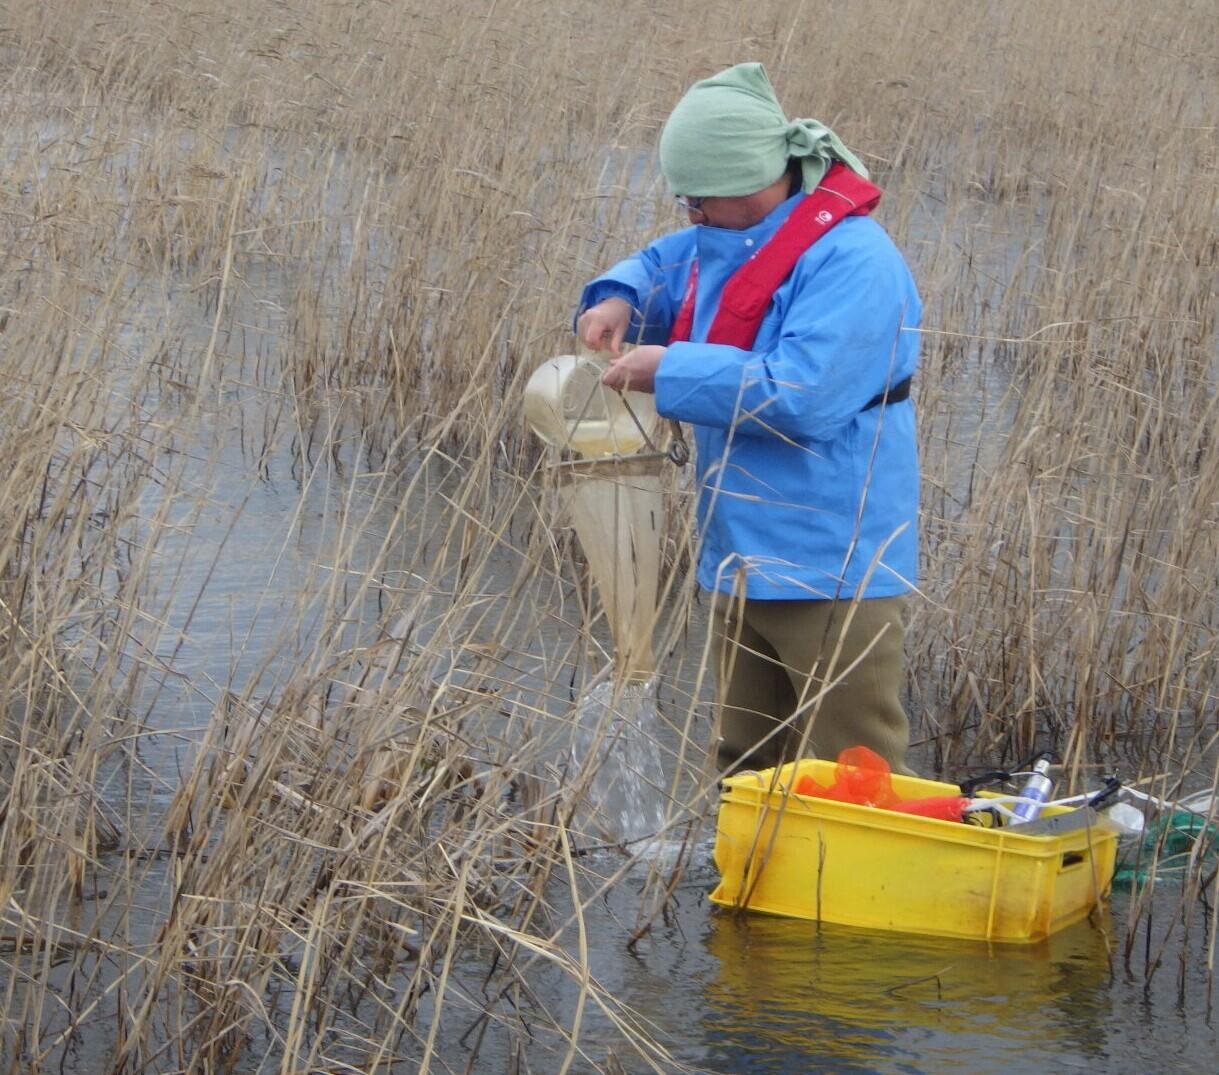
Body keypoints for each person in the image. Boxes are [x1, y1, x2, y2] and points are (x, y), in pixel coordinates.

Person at [575, 63, 921, 775]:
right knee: (746, 759)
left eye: (697, 197)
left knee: (850, 766)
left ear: (752, 179)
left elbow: (801, 395)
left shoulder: (856, 262)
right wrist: (617, 297)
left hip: (830, 559)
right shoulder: (731, 234)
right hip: (739, 555)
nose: (688, 213)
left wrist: (664, 369)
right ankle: (748, 884)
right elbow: (665, 264)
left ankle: (859, 885)